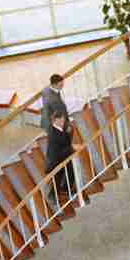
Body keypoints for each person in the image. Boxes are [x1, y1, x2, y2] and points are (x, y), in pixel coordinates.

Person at [40, 72, 75, 207]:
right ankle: (54, 194)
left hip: (63, 151)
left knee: (69, 170)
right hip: (58, 157)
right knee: (59, 174)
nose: (63, 85)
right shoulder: (55, 102)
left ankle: (66, 188)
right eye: (61, 84)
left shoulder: (46, 91)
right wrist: (68, 128)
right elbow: (57, 148)